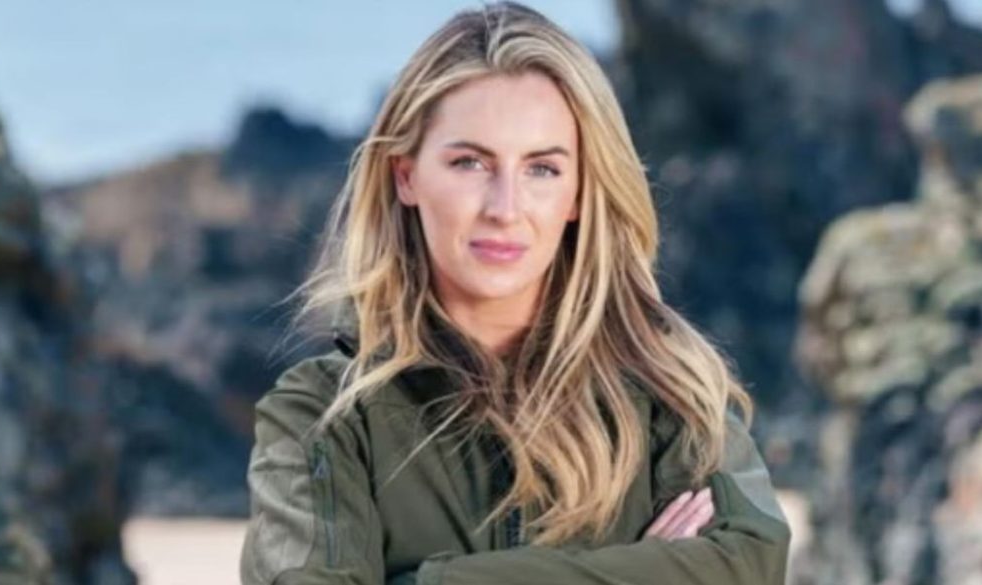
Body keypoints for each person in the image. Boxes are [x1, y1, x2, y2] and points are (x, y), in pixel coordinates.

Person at [240, 2, 791, 584]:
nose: (505, 208)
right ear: (406, 176)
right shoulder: (322, 419)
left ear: (579, 191)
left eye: (541, 169)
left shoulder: (671, 397)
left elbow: (749, 565)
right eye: (470, 163)